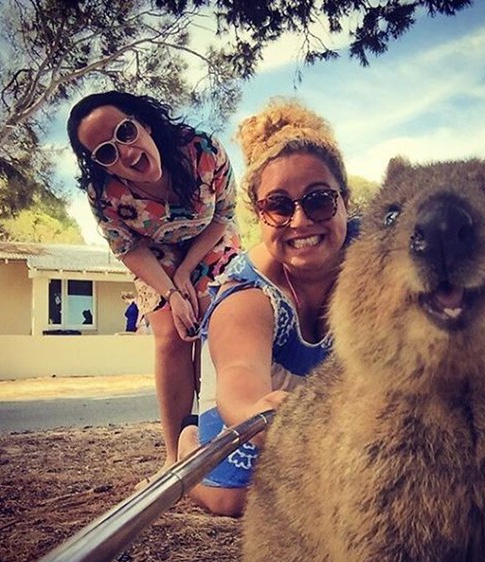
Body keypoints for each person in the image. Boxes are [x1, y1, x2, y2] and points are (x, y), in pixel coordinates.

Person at [177, 98, 359, 517]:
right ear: (259, 215)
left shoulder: (375, 255)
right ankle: (188, 444)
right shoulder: (247, 294)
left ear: (345, 201)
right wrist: (254, 411)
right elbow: (240, 373)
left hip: (333, 400)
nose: (299, 221)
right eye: (278, 206)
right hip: (265, 403)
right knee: (235, 499)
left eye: (318, 200)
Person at [67, 91, 240, 483]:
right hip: (153, 254)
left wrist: (188, 275)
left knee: (213, 318)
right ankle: (175, 457)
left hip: (208, 241)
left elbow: (224, 216)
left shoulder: (202, 150)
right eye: (106, 152)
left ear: (144, 122)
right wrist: (172, 292)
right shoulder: (104, 194)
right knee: (170, 332)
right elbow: (127, 247)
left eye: (125, 132)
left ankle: (219, 444)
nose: (125, 153)